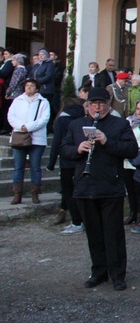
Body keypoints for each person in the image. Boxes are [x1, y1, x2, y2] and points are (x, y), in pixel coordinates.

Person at [60, 87, 138, 291]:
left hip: (110, 186)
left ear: (108, 104)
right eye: (94, 103)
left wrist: (106, 141)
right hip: (85, 186)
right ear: (87, 105)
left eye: (102, 103)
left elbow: (131, 150)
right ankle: (99, 271)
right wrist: (78, 149)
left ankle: (117, 274)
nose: (98, 107)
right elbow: (64, 149)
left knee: (113, 233)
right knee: (93, 233)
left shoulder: (120, 124)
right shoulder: (76, 125)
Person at [8, 79, 51, 204]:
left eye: (32, 86)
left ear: (37, 88)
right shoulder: (18, 100)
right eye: (27, 85)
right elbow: (11, 116)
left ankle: (35, 193)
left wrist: (29, 127)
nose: (29, 87)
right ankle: (17, 194)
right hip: (19, 137)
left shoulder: (43, 102)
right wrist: (21, 126)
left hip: (37, 138)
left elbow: (45, 119)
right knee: (18, 167)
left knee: (35, 167)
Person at [46, 97, 86, 231]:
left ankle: (77, 222)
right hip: (82, 159)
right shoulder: (84, 118)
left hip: (67, 161)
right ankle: (85, 220)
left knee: (69, 192)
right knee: (81, 192)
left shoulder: (62, 120)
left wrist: (51, 163)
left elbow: (56, 142)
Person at [0, 47, 16, 135]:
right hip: (3, 87)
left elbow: (3, 73)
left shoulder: (9, 63)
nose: (4, 56)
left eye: (6, 54)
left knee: (6, 108)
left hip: (6, 87)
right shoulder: (5, 63)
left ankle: (6, 127)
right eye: (4, 54)